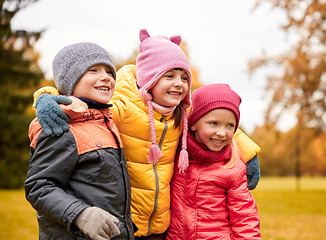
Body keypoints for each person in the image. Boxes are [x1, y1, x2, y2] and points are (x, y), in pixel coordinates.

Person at [32, 29, 261, 239]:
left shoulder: (180, 112)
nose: (179, 84)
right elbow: (84, 104)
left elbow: (216, 119)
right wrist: (47, 96)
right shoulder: (123, 105)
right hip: (128, 223)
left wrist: (249, 153)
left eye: (184, 77)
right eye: (169, 76)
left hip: (163, 226)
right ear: (150, 78)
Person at [24, 42, 136, 240]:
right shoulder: (60, 125)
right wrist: (80, 214)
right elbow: (39, 186)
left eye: (110, 72)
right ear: (70, 80)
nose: (106, 77)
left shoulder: (106, 122)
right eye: (93, 70)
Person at [166, 84, 261, 240]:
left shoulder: (232, 168)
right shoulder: (176, 153)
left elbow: (245, 217)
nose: (222, 133)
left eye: (230, 125)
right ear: (194, 123)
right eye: (214, 123)